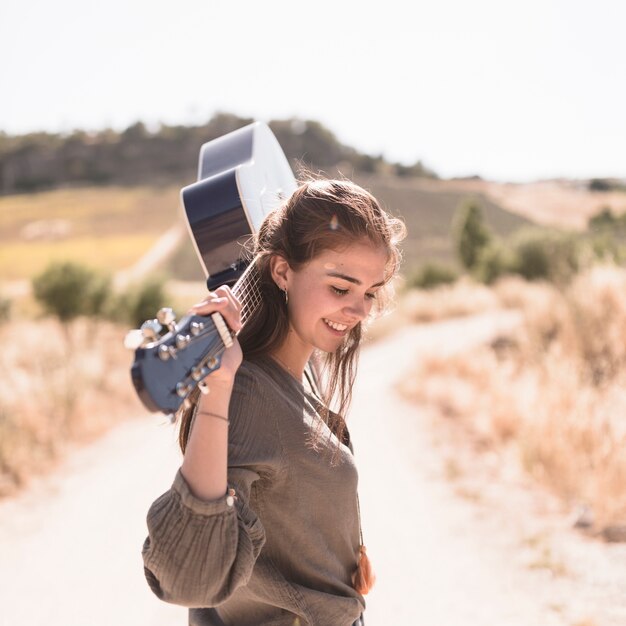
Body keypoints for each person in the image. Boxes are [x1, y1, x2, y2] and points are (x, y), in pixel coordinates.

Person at [142, 178, 406, 626]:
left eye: (370, 292)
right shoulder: (246, 392)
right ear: (282, 271)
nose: (359, 311)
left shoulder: (293, 375)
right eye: (341, 289)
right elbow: (190, 579)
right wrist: (218, 389)